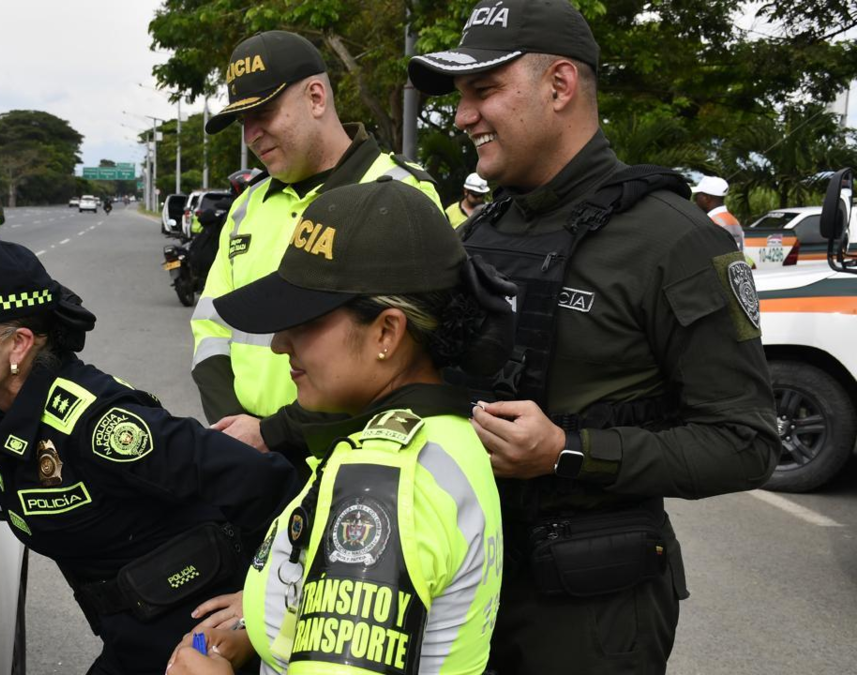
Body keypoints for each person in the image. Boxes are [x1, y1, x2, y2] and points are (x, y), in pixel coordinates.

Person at [407, 1, 779, 672]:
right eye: (460, 97)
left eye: (483, 90)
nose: (462, 116)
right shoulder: (472, 238)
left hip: (592, 608)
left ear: (559, 86)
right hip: (464, 583)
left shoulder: (677, 242)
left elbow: (746, 443)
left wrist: (567, 451)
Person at [0, 240, 300, 675]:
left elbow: (276, 488)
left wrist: (259, 602)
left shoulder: (100, 425)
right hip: (127, 633)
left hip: (194, 645)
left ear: (19, 343)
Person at [168, 180, 514, 675]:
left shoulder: (379, 486)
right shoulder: (437, 432)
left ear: (386, 332)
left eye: (303, 320)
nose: (278, 345)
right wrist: (265, 643)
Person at [193, 30, 443, 467]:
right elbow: (210, 324)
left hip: (356, 455)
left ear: (315, 98)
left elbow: (412, 360)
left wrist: (275, 433)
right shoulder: (246, 205)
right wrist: (233, 423)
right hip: (249, 452)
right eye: (242, 120)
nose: (251, 134)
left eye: (264, 112)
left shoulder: (400, 193)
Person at [691, 175, 744, 250]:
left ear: (706, 198)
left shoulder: (710, 221)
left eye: (697, 196)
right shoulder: (734, 220)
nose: (695, 201)